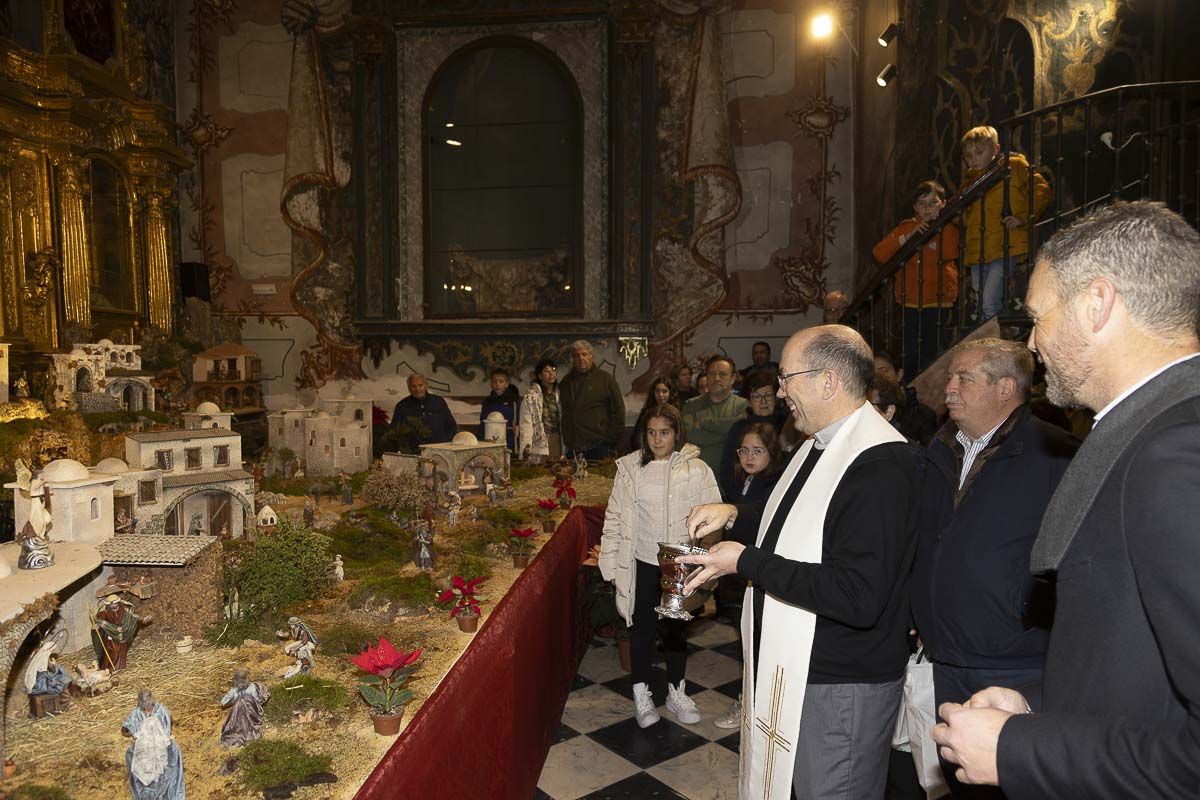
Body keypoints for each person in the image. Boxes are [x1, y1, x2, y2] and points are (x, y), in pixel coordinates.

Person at [933, 202, 1200, 794]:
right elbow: (1144, 676)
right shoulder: (1152, 429)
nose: (1033, 343)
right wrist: (1034, 704)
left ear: (1097, 303)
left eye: (1038, 317)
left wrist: (1019, 748)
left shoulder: (1178, 454)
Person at [678, 325, 920, 800]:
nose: (780, 390)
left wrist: (745, 561)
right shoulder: (818, 443)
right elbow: (802, 526)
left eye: (788, 378)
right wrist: (737, 514)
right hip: (801, 666)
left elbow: (857, 596)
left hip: (842, 680)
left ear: (828, 381)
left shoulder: (881, 464)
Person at [912, 337, 1078, 798]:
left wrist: (1023, 612)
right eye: (950, 376)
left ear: (1006, 387)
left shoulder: (1056, 454)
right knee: (956, 774)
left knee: (1011, 781)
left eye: (963, 378)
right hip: (947, 654)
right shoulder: (940, 447)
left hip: (1015, 664)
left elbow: (1075, 562)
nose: (948, 387)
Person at [598, 402, 721, 728]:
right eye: (651, 432)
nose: (657, 439)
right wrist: (609, 563)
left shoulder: (697, 470)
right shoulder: (630, 470)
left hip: (679, 562)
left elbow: (713, 517)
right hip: (641, 561)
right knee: (641, 630)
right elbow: (614, 518)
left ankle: (676, 691)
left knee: (676, 630)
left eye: (664, 432)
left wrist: (706, 563)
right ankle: (641, 693)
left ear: (676, 433)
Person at [713, 421, 785, 731]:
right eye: (744, 450)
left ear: (772, 453)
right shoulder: (743, 479)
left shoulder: (774, 483)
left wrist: (731, 513)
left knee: (758, 641)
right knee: (746, 638)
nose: (750, 457)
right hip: (740, 572)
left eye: (758, 451)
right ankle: (750, 699)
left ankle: (753, 705)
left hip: (759, 573)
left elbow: (758, 513)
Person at [959, 125, 1051, 322]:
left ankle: (992, 347)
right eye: (968, 155)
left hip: (1004, 244)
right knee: (982, 298)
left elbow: (1041, 189)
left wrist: (1022, 216)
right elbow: (964, 213)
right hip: (977, 247)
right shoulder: (969, 181)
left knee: (990, 300)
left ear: (996, 149)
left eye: (979, 152)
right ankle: (989, 342)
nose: (973, 159)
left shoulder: (1014, 166)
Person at [872, 180, 961, 378]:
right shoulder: (907, 227)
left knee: (934, 352)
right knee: (910, 354)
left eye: (933, 203)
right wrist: (909, 237)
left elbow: (949, 252)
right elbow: (879, 253)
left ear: (943, 204)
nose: (928, 208)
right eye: (922, 203)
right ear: (915, 208)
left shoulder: (948, 227)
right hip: (910, 300)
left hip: (939, 300)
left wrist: (940, 225)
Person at [717, 370, 786, 500]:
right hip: (741, 496)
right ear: (749, 400)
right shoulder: (739, 428)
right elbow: (727, 470)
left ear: (776, 398)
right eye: (757, 396)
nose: (763, 401)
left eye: (768, 395)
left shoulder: (786, 424)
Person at [682, 355, 748, 476]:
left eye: (722, 374)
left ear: (733, 378)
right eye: (712, 374)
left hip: (732, 481)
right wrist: (728, 436)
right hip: (696, 479)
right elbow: (691, 436)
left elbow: (742, 436)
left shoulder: (742, 405)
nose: (716, 378)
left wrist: (704, 423)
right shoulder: (691, 405)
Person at [559, 340, 626, 460]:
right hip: (573, 446)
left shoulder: (605, 379)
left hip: (599, 445)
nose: (581, 358)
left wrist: (609, 440)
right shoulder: (566, 382)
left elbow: (619, 411)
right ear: (573, 359)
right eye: (577, 355)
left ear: (591, 356)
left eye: (584, 354)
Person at [123, 689, 185, 800]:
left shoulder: (161, 710)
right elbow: (125, 729)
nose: (147, 707)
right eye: (144, 705)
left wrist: (161, 734)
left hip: (160, 742)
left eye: (149, 704)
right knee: (131, 755)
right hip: (143, 744)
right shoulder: (136, 713)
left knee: (174, 751)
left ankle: (168, 789)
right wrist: (132, 732)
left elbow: (169, 723)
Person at [875, 351, 939, 446]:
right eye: (872, 373)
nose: (877, 377)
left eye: (883, 371)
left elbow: (930, 454)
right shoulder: (864, 409)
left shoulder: (922, 414)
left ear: (899, 374)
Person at [391, 373, 458, 445]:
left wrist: (445, 444)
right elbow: (394, 431)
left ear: (426, 385)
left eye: (420, 385)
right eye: (413, 386)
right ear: (409, 388)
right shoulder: (402, 406)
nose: (417, 389)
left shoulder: (438, 402)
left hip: (439, 449)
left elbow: (451, 426)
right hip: (413, 451)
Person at [517, 359, 561, 462]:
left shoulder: (560, 392)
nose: (551, 373)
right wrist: (525, 447)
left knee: (556, 467)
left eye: (553, 370)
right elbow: (526, 424)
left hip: (556, 437)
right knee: (540, 470)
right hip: (540, 437)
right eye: (547, 371)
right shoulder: (532, 396)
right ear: (540, 376)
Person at [92, 594, 149, 670]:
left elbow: (132, 616)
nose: (113, 605)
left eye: (115, 603)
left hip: (122, 634)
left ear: (118, 603)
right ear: (108, 605)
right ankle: (110, 667)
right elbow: (100, 621)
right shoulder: (104, 612)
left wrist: (143, 619)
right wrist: (97, 626)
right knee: (113, 650)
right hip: (111, 635)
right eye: (111, 604)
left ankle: (120, 667)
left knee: (122, 650)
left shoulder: (122, 609)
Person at [220, 668, 270, 747]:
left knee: (240, 703)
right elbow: (258, 701)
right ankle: (245, 734)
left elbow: (223, 702)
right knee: (241, 703)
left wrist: (235, 702)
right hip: (250, 713)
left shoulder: (234, 690)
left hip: (243, 714)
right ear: (246, 678)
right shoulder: (251, 688)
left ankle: (238, 735)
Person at [631, 377, 678, 452]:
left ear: (670, 393)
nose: (660, 395)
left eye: (664, 391)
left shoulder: (676, 413)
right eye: (657, 391)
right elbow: (637, 439)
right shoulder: (646, 412)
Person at [478, 367, 520, 450]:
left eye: (501, 381)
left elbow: (519, 419)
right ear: (491, 383)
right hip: (489, 439)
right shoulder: (487, 401)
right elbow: (483, 420)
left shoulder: (514, 401)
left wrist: (518, 426)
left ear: (506, 383)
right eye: (495, 381)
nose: (497, 384)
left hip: (509, 439)